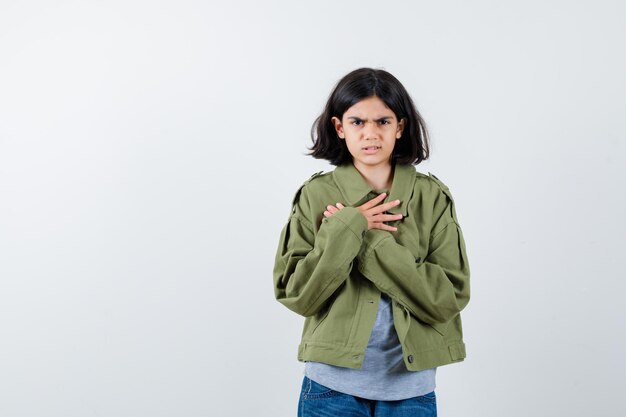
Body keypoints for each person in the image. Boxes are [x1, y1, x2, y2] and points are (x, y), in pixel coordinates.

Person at [272, 67, 471, 417]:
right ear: (339, 127)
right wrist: (351, 223)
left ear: (400, 127)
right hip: (330, 388)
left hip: (412, 390)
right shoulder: (316, 195)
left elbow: (449, 297)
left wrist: (364, 238)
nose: (370, 134)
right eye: (357, 122)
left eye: (382, 121)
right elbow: (296, 293)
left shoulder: (431, 197)